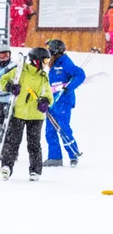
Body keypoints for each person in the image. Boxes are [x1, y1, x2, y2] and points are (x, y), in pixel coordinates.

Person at [0, 47, 53, 181]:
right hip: (19, 112)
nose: (46, 63)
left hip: (36, 115)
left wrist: (45, 101)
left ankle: (35, 170)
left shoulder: (43, 76)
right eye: (45, 60)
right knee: (13, 142)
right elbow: (2, 80)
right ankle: (6, 166)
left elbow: (48, 92)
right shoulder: (20, 71)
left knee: (34, 144)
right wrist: (9, 86)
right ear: (36, 61)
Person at [43, 39, 85, 167]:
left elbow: (80, 74)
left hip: (63, 102)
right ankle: (54, 158)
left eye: (49, 50)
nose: (48, 53)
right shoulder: (53, 64)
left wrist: (69, 87)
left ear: (55, 50)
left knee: (63, 128)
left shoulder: (65, 62)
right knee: (50, 131)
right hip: (53, 102)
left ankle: (73, 154)